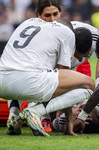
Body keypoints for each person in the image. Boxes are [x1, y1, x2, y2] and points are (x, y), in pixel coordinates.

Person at [0, 17, 95, 137]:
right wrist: (69, 121)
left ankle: (14, 115)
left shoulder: (29, 22)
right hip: (29, 83)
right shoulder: (67, 33)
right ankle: (36, 111)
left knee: (19, 66)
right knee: (89, 84)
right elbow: (64, 74)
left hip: (2, 82)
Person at [6, 0, 64, 135]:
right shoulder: (58, 33)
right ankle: (39, 117)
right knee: (57, 76)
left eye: (55, 14)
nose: (52, 19)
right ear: (38, 15)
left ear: (61, 12)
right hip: (34, 78)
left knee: (17, 73)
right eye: (47, 16)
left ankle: (14, 113)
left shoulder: (24, 26)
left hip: (9, 74)